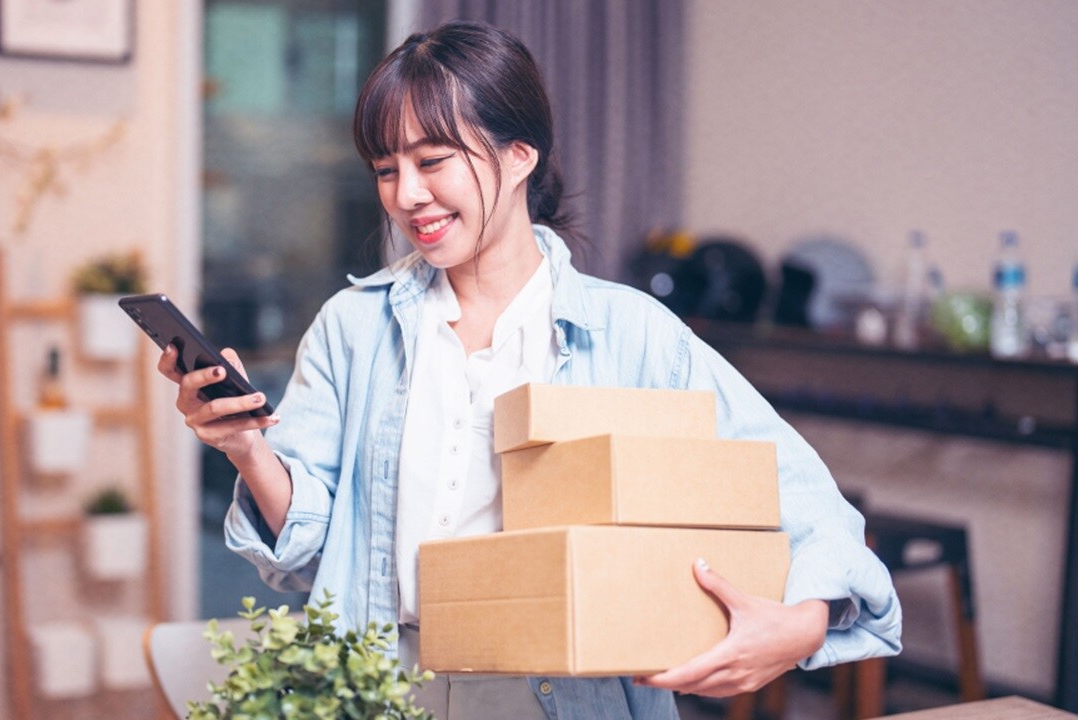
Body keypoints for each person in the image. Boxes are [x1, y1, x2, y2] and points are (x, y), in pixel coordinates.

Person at [158, 20, 901, 719]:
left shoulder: (632, 335)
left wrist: (802, 625)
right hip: (384, 688)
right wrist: (247, 448)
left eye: (432, 161)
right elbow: (308, 551)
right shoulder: (354, 328)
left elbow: (811, 506)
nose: (406, 195)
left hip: (562, 700)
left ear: (520, 155)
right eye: (386, 169)